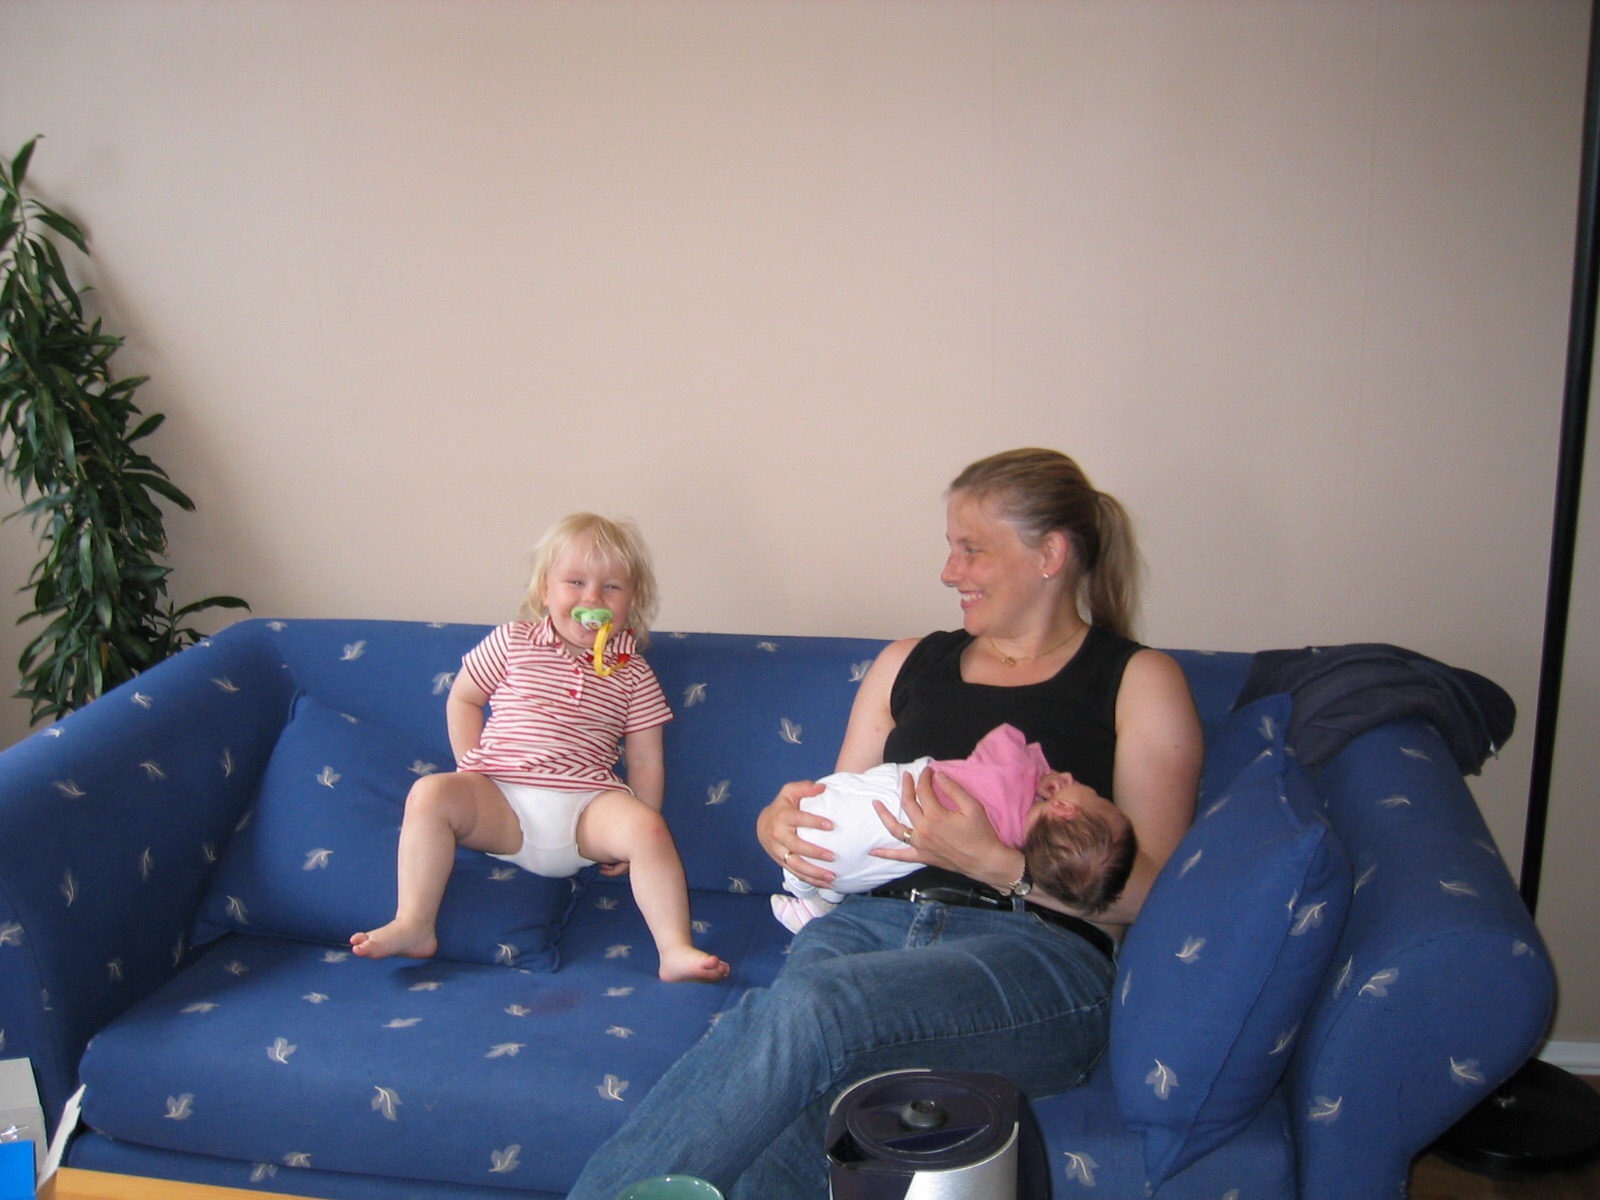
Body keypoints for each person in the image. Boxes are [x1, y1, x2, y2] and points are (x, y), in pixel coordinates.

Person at [566, 448, 1202, 1198]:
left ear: (1050, 555)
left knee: (811, 1012)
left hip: (1034, 954)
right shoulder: (907, 664)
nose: (949, 571)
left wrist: (999, 864)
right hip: (862, 929)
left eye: (971, 548)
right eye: (950, 547)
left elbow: (1160, 898)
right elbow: (835, 802)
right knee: (792, 1122)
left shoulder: (1136, 679)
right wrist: (780, 826)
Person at [350, 512, 730, 984]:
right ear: (545, 590)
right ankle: (414, 922)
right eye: (576, 582)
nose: (592, 598)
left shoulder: (633, 671)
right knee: (429, 793)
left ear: (633, 602)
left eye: (612, 587)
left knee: (649, 828)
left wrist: (638, 828)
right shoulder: (512, 641)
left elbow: (646, 757)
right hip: (503, 802)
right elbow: (464, 698)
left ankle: (674, 949)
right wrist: (470, 766)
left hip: (586, 810)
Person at [770, 722, 1137, 932]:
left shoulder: (1015, 778)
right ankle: (816, 903)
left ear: (1063, 806)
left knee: (825, 810)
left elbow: (1005, 736)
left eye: (1093, 794)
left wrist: (1040, 772)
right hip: (893, 858)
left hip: (899, 794)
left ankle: (806, 886)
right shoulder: (1010, 842)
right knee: (857, 862)